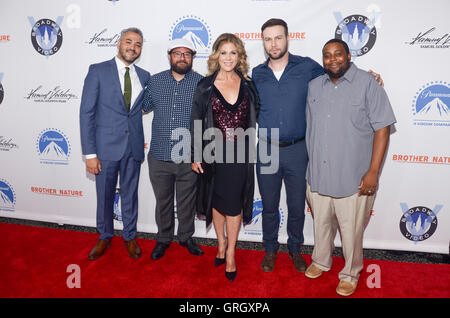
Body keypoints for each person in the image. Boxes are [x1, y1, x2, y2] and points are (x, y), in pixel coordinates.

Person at [252, 18, 383, 274]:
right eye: (268, 39)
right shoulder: (257, 73)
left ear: (288, 38)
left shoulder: (308, 67)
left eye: (278, 37)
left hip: (299, 149)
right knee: (269, 205)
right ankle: (270, 250)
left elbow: (339, 72)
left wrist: (369, 77)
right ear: (263, 42)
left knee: (297, 205)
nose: (273, 43)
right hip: (267, 147)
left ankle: (295, 249)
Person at [304, 39, 396, 297]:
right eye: (327, 55)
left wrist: (373, 171)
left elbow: (382, 128)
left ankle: (350, 273)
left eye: (338, 54)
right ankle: (321, 260)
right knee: (320, 224)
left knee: (351, 231)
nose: (333, 59)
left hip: (353, 177)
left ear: (348, 56)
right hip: (318, 175)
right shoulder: (313, 86)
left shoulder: (368, 84)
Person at [191, 33, 260, 282]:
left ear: (239, 55)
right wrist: (195, 154)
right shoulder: (205, 85)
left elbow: (258, 114)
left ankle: (230, 253)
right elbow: (196, 121)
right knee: (216, 201)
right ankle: (220, 243)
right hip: (212, 154)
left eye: (233, 52)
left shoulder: (249, 84)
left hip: (240, 155)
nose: (228, 57)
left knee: (233, 204)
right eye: (223, 52)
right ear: (215, 55)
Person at [80, 27, 150, 260]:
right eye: (129, 42)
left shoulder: (145, 75)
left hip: (133, 147)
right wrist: (90, 153)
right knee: (105, 195)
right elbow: (87, 113)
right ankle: (104, 236)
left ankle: (129, 237)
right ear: (119, 43)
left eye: (138, 44)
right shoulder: (98, 71)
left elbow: (143, 107)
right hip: (105, 147)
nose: (133, 47)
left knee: (131, 194)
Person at [142, 38, 204, 260]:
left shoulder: (201, 83)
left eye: (187, 54)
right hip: (159, 154)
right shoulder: (155, 81)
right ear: (169, 55)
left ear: (192, 58)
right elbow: (143, 108)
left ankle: (186, 237)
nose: (182, 57)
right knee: (163, 201)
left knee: (187, 201)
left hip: (189, 157)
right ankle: (163, 239)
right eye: (177, 53)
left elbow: (206, 120)